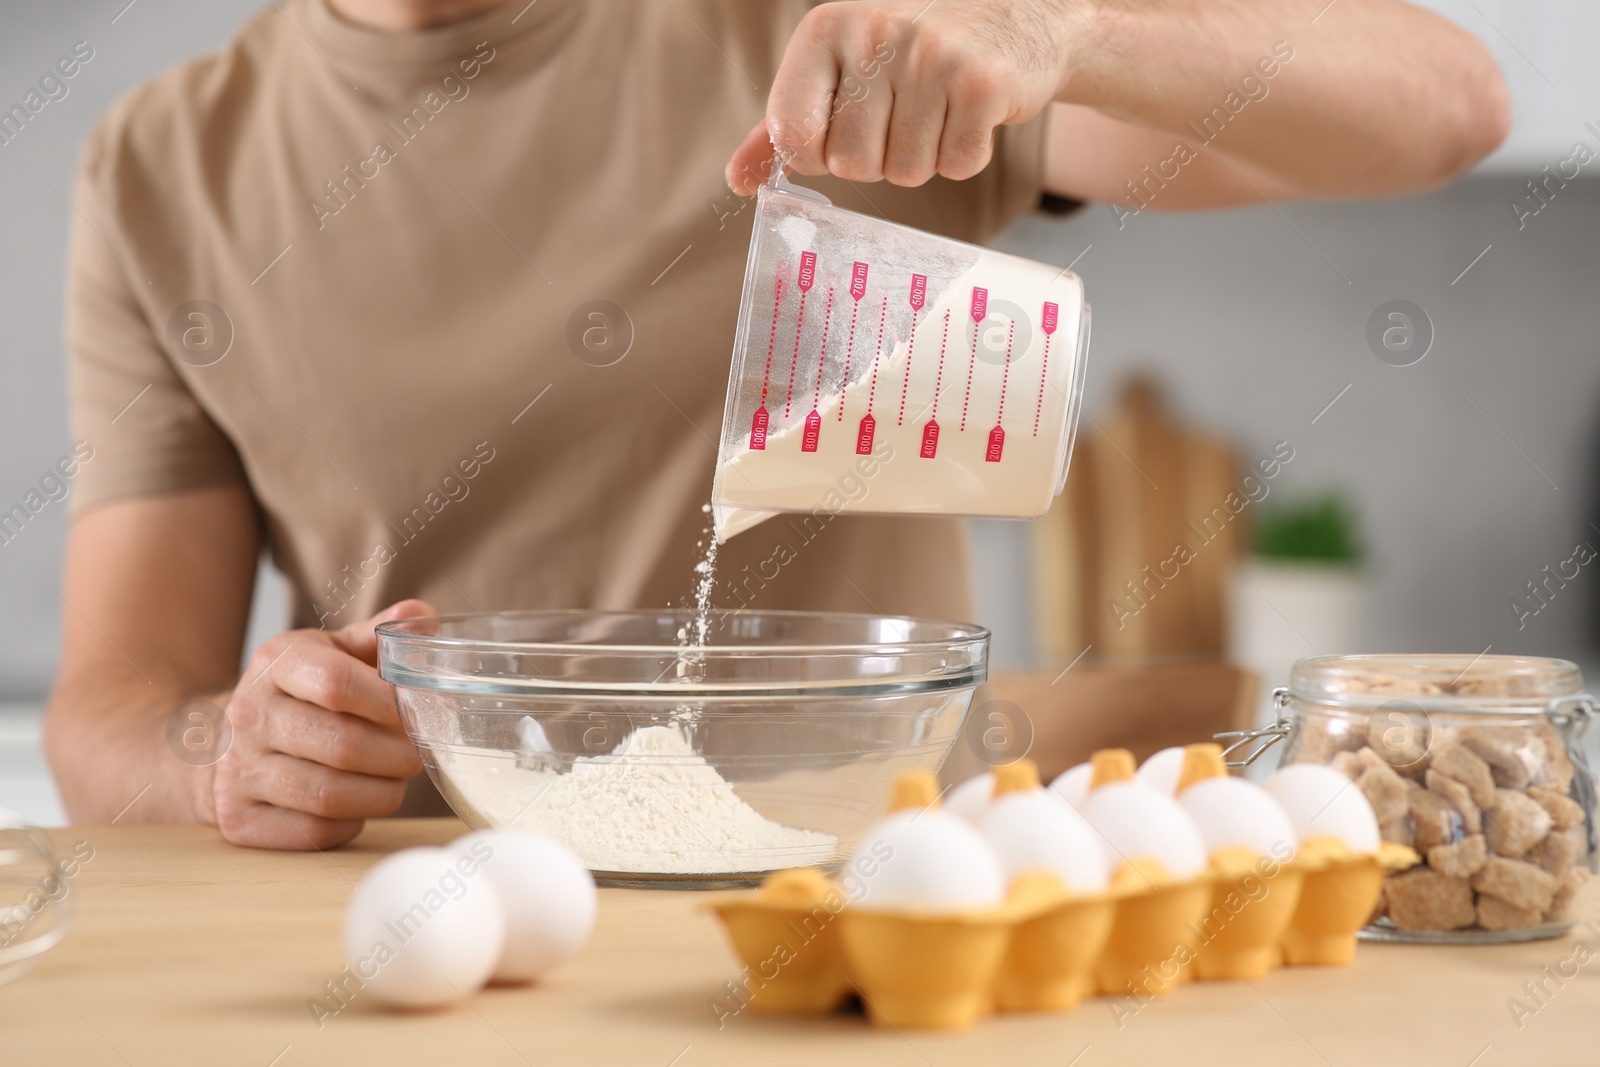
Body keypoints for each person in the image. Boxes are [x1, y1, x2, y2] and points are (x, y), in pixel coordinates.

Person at [45, 0, 1509, 848]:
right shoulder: (164, 166)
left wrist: (1052, 29)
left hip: (871, 929)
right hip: (446, 933)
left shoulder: (837, 37)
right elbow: (113, 709)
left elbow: (1447, 105)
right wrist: (224, 750)